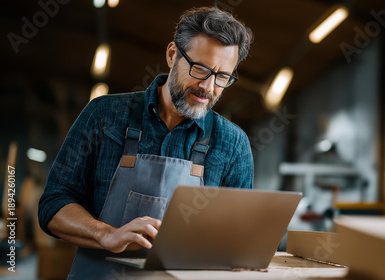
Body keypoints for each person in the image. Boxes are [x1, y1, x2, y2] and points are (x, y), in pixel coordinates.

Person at [38, 7, 254, 279]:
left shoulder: (233, 144)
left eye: (222, 77)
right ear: (172, 54)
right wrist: (106, 234)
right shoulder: (104, 115)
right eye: (200, 69)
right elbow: (53, 204)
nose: (209, 88)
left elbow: (240, 239)